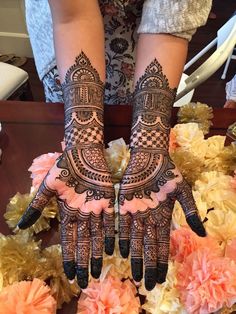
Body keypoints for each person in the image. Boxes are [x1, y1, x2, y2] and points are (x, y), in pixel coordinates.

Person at [19, 0, 212, 291]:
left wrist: (149, 148)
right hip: (69, 37)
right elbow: (74, 18)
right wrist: (82, 143)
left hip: (140, 44)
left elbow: (167, 23)